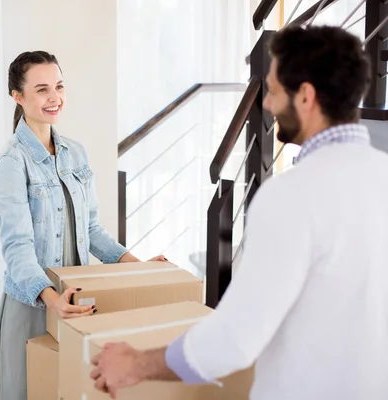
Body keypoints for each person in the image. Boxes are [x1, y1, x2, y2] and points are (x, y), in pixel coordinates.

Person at [90, 26, 388, 400]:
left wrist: (134, 364)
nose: (266, 104)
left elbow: (235, 339)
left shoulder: (291, 195)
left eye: (275, 90)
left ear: (306, 96)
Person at [0, 50, 165, 400]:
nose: (54, 98)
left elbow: (93, 231)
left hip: (76, 299)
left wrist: (141, 269)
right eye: (41, 89)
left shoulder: (75, 154)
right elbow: (18, 250)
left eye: (59, 86)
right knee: (30, 391)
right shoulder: (10, 163)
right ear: (17, 97)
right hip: (35, 305)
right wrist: (52, 300)